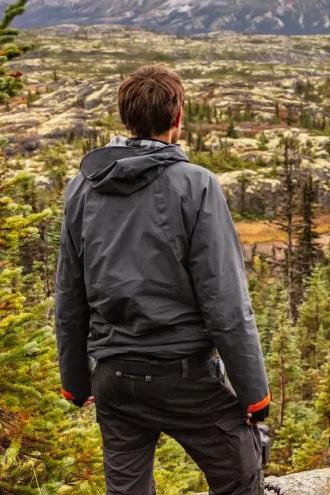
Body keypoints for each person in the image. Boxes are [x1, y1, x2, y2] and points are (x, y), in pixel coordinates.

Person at [55, 64, 270, 494]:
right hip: (185, 377)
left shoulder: (82, 187)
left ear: (126, 118)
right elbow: (224, 300)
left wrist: (75, 383)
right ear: (177, 118)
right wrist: (254, 396)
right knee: (241, 478)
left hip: (113, 378)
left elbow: (70, 296)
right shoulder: (196, 185)